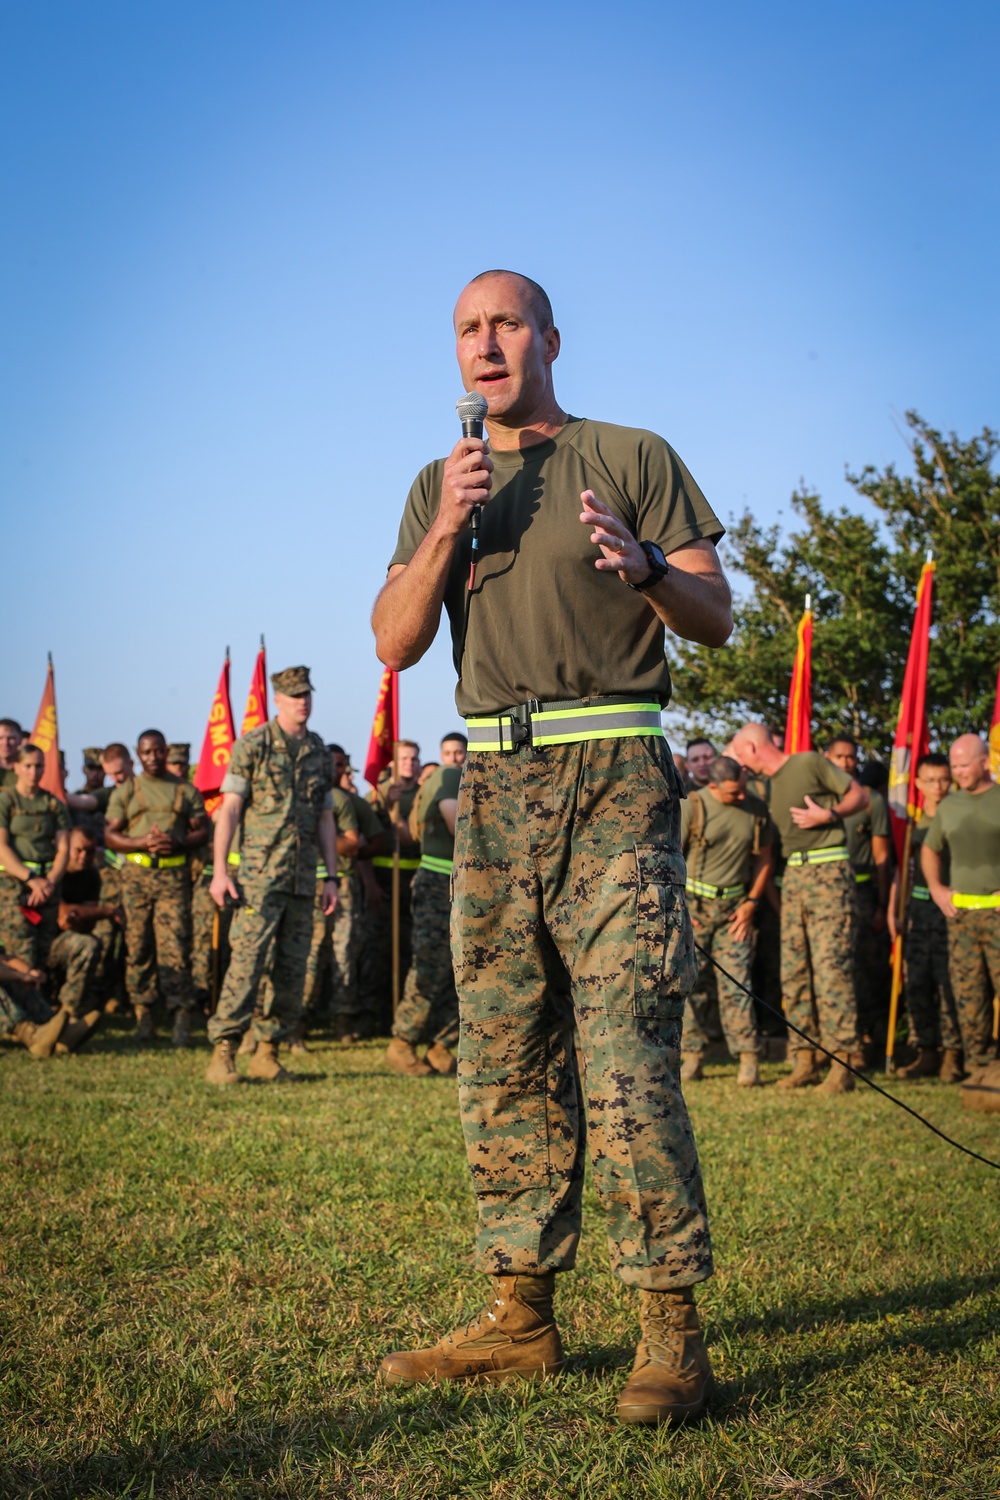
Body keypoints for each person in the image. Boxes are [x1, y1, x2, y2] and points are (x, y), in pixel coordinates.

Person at [372, 268, 732, 1425]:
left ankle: (669, 1334)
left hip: (614, 777)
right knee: (501, 1053)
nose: (486, 343)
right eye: (467, 329)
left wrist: (647, 568)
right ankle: (521, 1314)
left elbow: (715, 613)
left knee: (627, 1052)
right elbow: (393, 641)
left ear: (549, 339)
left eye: (505, 323)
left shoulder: (631, 456)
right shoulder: (442, 480)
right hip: (490, 785)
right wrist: (443, 531)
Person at [205, 667, 338, 1084]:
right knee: (246, 964)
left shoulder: (318, 750)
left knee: (292, 970)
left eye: (307, 694)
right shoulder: (253, 745)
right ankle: (224, 1053)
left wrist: (331, 876)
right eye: (294, 695)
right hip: (259, 879)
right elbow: (228, 810)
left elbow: (326, 818)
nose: (303, 701)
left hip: (301, 879)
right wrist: (221, 871)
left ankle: (268, 1053)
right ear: (277, 699)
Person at [728, 723, 868, 1093]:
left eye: (740, 755)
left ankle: (842, 1065)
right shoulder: (766, 788)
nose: (739, 763)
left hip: (829, 871)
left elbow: (860, 797)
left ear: (754, 748)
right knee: (795, 972)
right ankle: (805, 1058)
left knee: (830, 970)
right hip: (794, 879)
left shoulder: (808, 762)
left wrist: (831, 815)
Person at [105, 730, 209, 1044]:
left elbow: (203, 831)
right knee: (138, 947)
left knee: (176, 947)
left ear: (166, 752)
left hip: (173, 879)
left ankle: (181, 1019)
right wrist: (142, 842)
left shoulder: (185, 791)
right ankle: (144, 1017)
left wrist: (179, 842)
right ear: (139, 755)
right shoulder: (128, 791)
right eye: (146, 753)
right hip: (137, 877)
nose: (152, 758)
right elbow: (110, 835)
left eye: (158, 752)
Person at [679, 755, 774, 1087]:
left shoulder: (756, 809)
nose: (742, 797)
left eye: (744, 788)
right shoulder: (693, 806)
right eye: (734, 793)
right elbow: (673, 856)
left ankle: (749, 1060)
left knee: (738, 983)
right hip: (695, 906)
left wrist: (751, 902)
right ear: (713, 785)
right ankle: (692, 1056)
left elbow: (764, 859)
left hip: (736, 910)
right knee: (692, 985)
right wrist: (681, 909)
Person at [0, 743, 103, 1041]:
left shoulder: (53, 804)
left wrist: (49, 881)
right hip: (14, 889)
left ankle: (60, 1020)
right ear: (17, 767)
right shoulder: (6, 800)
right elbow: (2, 846)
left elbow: (63, 847)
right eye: (29, 766)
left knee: (46, 955)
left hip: (47, 890)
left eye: (39, 766)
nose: (35, 772)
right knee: (23, 959)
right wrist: (30, 878)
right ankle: (38, 1026)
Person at [921, 734, 1000, 1078]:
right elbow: (929, 849)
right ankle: (979, 1070)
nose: (959, 771)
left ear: (985, 761)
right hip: (962, 920)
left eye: (965, 763)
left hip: (998, 915)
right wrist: (937, 889)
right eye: (954, 765)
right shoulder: (949, 807)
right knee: (969, 998)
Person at [385, 746, 463, 1077]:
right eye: (453, 752)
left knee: (458, 969)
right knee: (430, 967)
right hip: (438, 883)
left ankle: (440, 1044)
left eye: (462, 752)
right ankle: (402, 1043)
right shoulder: (448, 775)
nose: (458, 758)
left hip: (460, 883)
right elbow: (457, 823)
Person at [889, 753, 962, 1081]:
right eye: (930, 780)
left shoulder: (959, 816)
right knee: (917, 981)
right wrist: (894, 909)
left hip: (952, 909)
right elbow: (901, 871)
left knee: (951, 981)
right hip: (917, 910)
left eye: (943, 779)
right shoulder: (913, 823)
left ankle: (952, 1053)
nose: (938, 787)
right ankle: (926, 1051)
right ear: (916, 782)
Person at [824, 736, 893, 1064]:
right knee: (836, 969)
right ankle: (835, 1041)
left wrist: (882, 905)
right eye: (839, 757)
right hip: (826, 893)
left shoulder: (871, 801)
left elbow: (882, 856)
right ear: (827, 758)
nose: (847, 763)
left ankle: (870, 1040)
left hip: (864, 894)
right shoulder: (818, 797)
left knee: (869, 970)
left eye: (851, 757)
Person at [334, 749, 388, 1041]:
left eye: (342, 766)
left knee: (346, 953)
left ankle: (344, 1019)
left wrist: (365, 877)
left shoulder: (350, 803)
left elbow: (372, 844)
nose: (339, 771)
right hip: (304, 884)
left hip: (342, 883)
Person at [0, 719, 24, 788]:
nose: (5, 743)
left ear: (20, 740)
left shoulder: (30, 769)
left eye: (11, 738)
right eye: (0, 738)